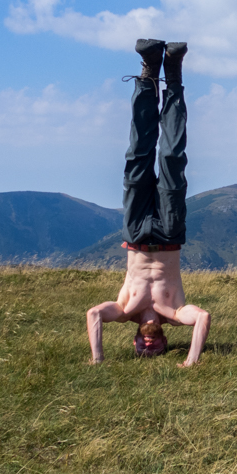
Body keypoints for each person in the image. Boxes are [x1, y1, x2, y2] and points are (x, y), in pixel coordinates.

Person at [86, 39, 211, 367]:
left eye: (142, 345)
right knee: (171, 156)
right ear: (165, 341)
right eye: (155, 347)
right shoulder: (175, 313)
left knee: (139, 154)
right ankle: (173, 72)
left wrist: (98, 358)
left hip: (137, 235)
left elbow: (94, 314)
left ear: (135, 338)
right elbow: (203, 318)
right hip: (170, 235)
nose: (149, 342)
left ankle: (148, 71)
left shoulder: (124, 310)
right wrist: (191, 361)